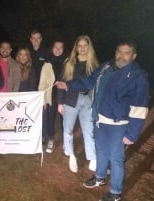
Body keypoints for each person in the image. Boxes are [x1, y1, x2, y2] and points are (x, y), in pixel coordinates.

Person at [58, 40, 149, 201]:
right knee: (100, 150)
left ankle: (115, 193)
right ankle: (100, 177)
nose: (121, 55)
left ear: (134, 56)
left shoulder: (138, 76)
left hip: (119, 124)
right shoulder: (106, 67)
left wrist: (132, 134)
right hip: (100, 119)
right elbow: (89, 81)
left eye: (126, 52)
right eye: (119, 51)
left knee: (116, 158)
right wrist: (68, 85)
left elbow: (140, 108)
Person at [57, 35, 99, 172]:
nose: (82, 48)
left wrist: (95, 103)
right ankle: (71, 155)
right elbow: (61, 83)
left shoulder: (94, 65)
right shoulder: (69, 63)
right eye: (79, 45)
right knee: (68, 129)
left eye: (85, 45)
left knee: (89, 129)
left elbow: (96, 86)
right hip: (70, 100)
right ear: (76, 47)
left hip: (87, 100)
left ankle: (92, 157)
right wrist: (60, 102)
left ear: (89, 47)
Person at [38, 40, 67, 153]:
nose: (58, 49)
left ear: (63, 49)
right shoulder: (47, 63)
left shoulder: (68, 63)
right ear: (52, 48)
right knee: (50, 118)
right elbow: (42, 83)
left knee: (65, 119)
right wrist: (43, 99)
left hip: (64, 96)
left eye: (60, 47)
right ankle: (51, 139)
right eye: (56, 47)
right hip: (51, 96)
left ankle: (66, 141)